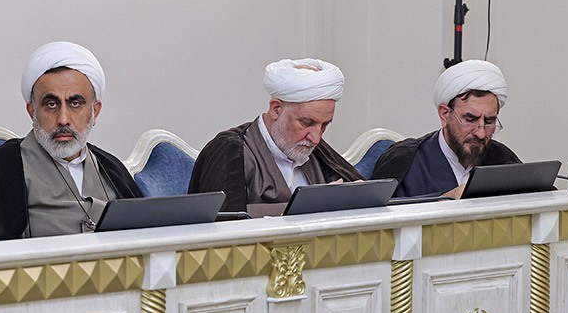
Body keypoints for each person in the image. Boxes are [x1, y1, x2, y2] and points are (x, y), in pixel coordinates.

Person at [0, 41, 142, 242]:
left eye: (75, 103)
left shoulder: (112, 169)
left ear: (95, 112)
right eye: (51, 104)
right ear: (32, 112)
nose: (63, 119)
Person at [188, 58, 362, 212]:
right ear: (276, 109)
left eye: (324, 125)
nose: (316, 138)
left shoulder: (316, 150)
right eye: (306, 123)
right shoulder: (231, 150)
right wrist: (313, 204)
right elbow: (223, 226)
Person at [372, 59, 519, 199]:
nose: (481, 133)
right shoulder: (404, 161)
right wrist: (442, 200)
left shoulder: (504, 160)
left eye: (489, 121)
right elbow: (378, 212)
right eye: (470, 120)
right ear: (444, 115)